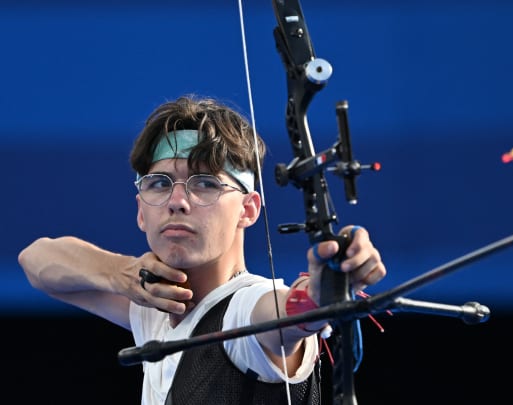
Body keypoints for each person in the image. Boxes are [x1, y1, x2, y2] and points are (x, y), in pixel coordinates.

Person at [17, 95, 386, 405]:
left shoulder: (246, 310)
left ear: (248, 209)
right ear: (141, 211)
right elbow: (37, 260)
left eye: (205, 183)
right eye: (160, 183)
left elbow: (291, 313)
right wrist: (122, 275)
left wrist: (328, 286)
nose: (177, 201)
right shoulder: (153, 309)